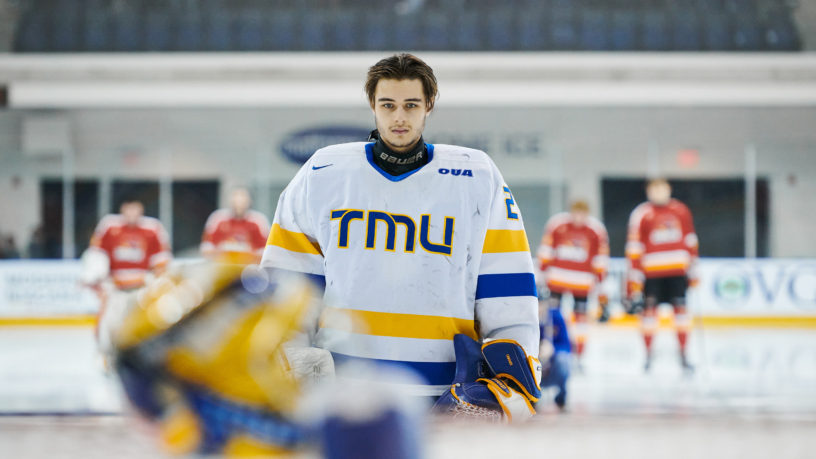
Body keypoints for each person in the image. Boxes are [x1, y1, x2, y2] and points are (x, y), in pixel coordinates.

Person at [260, 53, 541, 421]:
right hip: (343, 392)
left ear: (429, 106)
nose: (399, 117)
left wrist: (514, 379)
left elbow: (506, 287)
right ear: (372, 106)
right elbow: (287, 283)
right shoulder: (322, 172)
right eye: (387, 105)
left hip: (447, 395)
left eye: (411, 105)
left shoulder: (478, 177)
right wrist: (283, 360)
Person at [625, 178, 699, 372]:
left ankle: (683, 354)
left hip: (677, 273)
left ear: (669, 190)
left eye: (662, 189)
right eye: (654, 190)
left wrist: (693, 270)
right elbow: (634, 247)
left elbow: (691, 240)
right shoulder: (642, 214)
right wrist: (634, 279)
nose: (659, 193)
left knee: (681, 315)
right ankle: (648, 355)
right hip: (652, 275)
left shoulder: (681, 210)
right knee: (649, 315)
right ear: (649, 192)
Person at [82, 200, 172, 350]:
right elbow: (96, 255)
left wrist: (156, 283)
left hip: (142, 288)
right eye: (129, 209)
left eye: (135, 209)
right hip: (114, 288)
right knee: (108, 324)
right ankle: (106, 353)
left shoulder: (153, 228)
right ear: (123, 209)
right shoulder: (109, 226)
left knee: (142, 325)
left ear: (141, 209)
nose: (132, 213)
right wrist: (96, 279)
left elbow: (161, 261)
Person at [537, 200, 609, 366]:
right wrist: (541, 275)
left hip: (582, 283)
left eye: (582, 213)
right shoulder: (557, 225)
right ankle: (554, 352)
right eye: (576, 212)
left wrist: (601, 286)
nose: (579, 217)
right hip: (556, 281)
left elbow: (600, 259)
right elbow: (546, 251)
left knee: (581, 320)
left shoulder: (595, 230)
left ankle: (579, 356)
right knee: (553, 317)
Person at [200, 187, 270, 264]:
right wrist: (224, 252)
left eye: (242, 197)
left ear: (249, 201)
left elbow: (266, 251)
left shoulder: (258, 221)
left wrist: (246, 254)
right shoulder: (217, 218)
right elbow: (206, 247)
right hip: (223, 267)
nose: (239, 201)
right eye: (236, 197)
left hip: (249, 269)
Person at [538, 304, 571, 410]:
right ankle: (531, 396)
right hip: (535, 366)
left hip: (553, 367)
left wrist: (553, 350)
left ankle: (562, 395)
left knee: (563, 359)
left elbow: (566, 345)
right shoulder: (525, 319)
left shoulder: (555, 316)